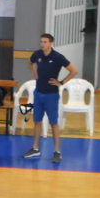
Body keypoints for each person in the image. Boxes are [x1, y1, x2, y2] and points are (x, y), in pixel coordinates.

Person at [23, 33, 78, 163]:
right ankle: (35, 149)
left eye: (45, 42)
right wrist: (35, 75)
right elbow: (30, 63)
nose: (42, 44)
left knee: (53, 123)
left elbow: (74, 71)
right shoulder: (37, 54)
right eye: (41, 42)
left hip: (51, 95)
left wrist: (62, 82)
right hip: (38, 94)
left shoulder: (58, 57)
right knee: (37, 122)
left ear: (51, 43)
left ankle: (57, 152)